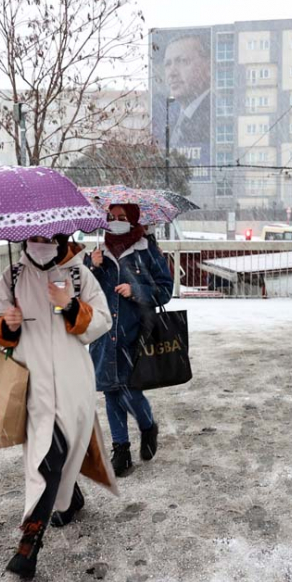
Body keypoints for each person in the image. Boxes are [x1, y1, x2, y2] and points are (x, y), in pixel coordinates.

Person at [0, 233, 116, 580]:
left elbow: (103, 320)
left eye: (48, 235)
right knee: (49, 454)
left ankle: (68, 497)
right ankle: (31, 541)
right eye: (36, 235)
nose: (42, 240)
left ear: (59, 234)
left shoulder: (78, 275)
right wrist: (6, 326)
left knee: (60, 451)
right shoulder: (12, 277)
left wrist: (70, 304)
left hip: (73, 384)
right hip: (34, 387)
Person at [87, 204, 174, 477]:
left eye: (122, 218)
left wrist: (135, 290)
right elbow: (86, 292)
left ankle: (147, 426)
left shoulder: (146, 250)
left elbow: (165, 290)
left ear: (133, 220)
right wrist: (93, 267)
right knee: (111, 391)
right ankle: (121, 449)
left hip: (135, 334)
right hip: (104, 334)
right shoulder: (98, 252)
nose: (116, 222)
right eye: (111, 218)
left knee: (127, 391)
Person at [164, 35, 211, 151]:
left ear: (209, 67)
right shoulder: (172, 121)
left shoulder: (215, 116)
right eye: (168, 64)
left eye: (183, 61)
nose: (172, 73)